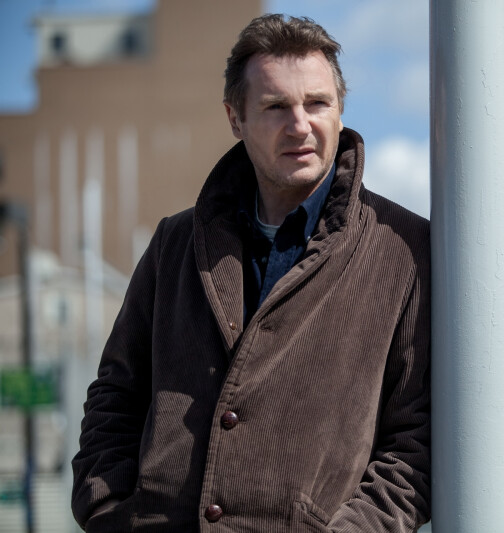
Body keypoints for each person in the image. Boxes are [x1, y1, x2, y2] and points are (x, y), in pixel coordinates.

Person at [71, 14, 431, 533]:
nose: (300, 125)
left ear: (340, 110)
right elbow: (115, 395)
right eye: (276, 106)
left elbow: (414, 445)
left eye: (317, 103)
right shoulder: (175, 243)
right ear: (235, 118)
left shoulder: (404, 250)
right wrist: (107, 511)